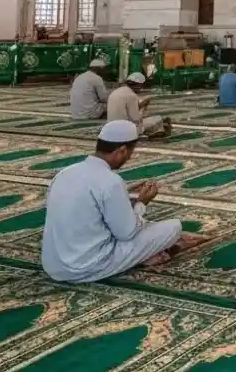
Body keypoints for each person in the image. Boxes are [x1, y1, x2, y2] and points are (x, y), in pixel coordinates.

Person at [41, 120, 206, 283]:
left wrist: (125, 195)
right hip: (87, 267)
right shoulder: (110, 181)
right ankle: (143, 257)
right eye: (129, 153)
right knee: (173, 227)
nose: (128, 158)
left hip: (54, 266)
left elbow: (84, 205)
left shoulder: (64, 173)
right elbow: (127, 233)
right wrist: (142, 202)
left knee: (133, 223)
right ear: (121, 150)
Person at [107, 72, 170, 137]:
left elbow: (127, 111)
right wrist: (144, 108)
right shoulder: (132, 96)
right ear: (139, 85)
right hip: (125, 130)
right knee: (158, 118)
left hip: (110, 128)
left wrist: (140, 105)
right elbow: (136, 119)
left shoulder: (116, 91)